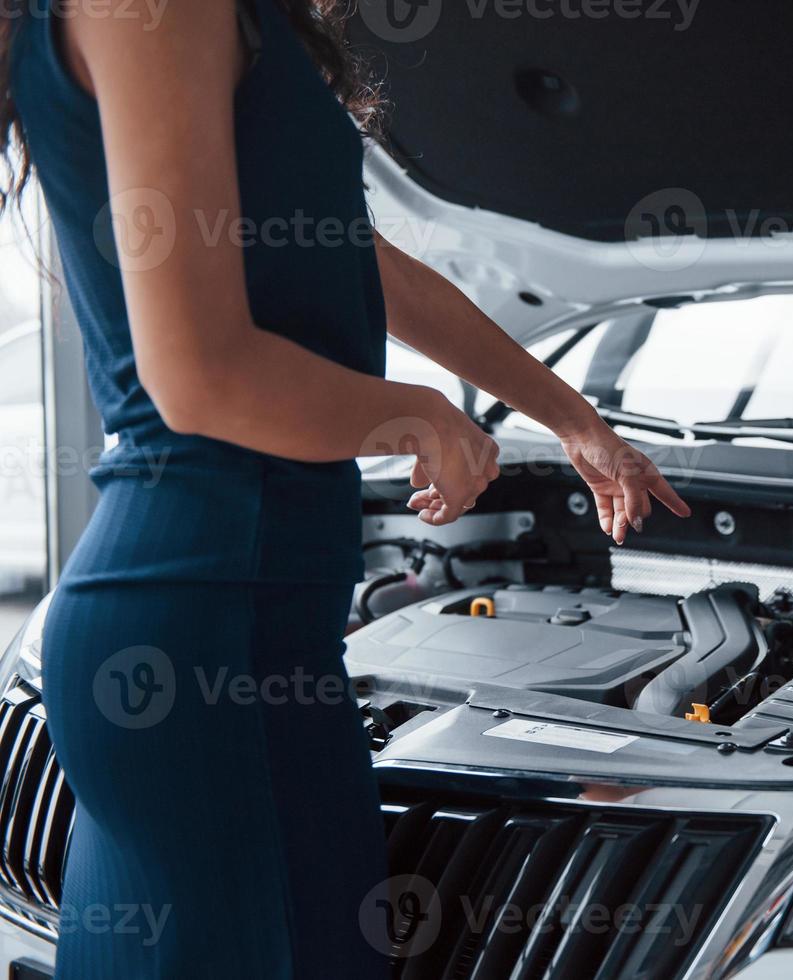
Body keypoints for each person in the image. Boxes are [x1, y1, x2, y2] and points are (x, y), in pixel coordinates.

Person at [1, 0, 689, 975]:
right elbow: (198, 373)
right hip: (208, 628)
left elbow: (357, 259)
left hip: (231, 616)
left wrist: (572, 418)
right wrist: (419, 415)